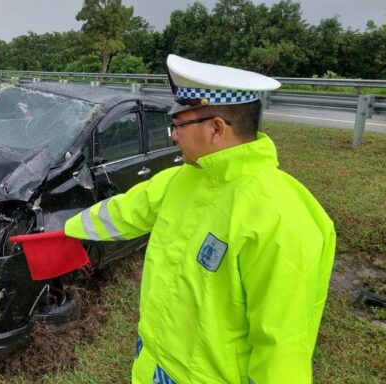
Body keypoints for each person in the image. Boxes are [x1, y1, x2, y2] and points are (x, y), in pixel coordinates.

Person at [64, 54, 336, 383]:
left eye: (179, 125)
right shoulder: (183, 180)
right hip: (152, 361)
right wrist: (63, 232)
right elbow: (122, 213)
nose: (174, 135)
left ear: (216, 129)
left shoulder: (281, 217)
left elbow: (282, 347)